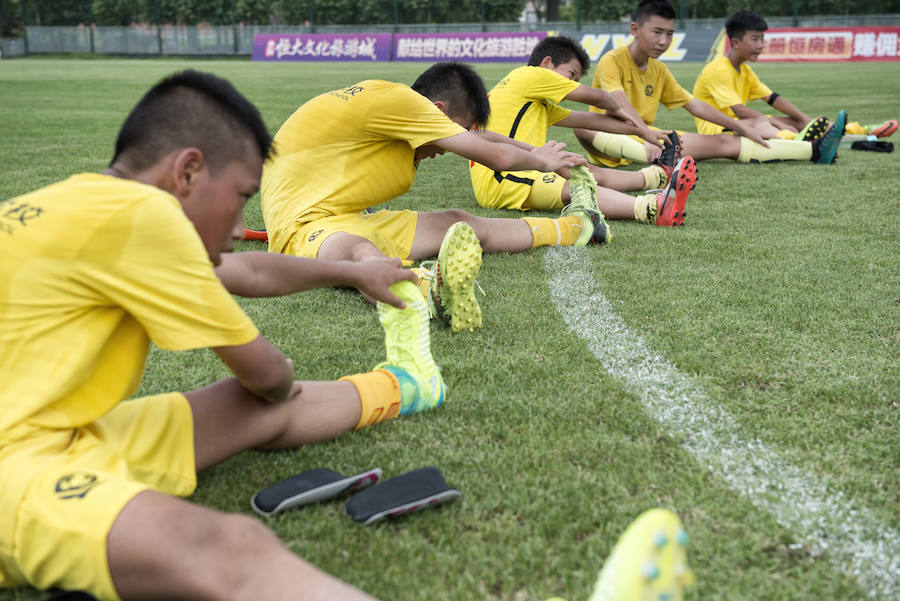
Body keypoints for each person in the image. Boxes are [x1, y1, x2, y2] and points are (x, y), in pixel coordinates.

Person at [0, 69, 455, 601]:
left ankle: (407, 385)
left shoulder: (84, 206)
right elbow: (269, 377)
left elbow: (247, 272)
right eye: (241, 196)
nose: (242, 226)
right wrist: (279, 379)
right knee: (233, 547)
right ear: (188, 171)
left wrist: (354, 272)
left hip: (48, 433)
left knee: (244, 407)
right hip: (13, 464)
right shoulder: (146, 219)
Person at [260, 62, 629, 334]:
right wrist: (538, 160)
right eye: (458, 129)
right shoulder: (402, 103)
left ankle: (577, 228)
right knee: (357, 251)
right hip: (301, 227)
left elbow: (484, 140)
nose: (454, 144)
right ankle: (426, 290)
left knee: (458, 220)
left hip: (340, 215)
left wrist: (537, 152)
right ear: (437, 110)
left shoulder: (399, 107)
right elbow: (493, 155)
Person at [574, 0, 846, 168]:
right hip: (612, 140)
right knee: (581, 128)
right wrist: (646, 134)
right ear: (635, 29)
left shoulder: (659, 69)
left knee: (725, 143)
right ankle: (656, 159)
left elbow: (694, 105)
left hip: (654, 139)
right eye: (656, 32)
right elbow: (618, 103)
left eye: (669, 34)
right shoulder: (612, 60)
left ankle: (812, 149)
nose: (663, 41)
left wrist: (739, 128)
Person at [469, 35, 696, 227]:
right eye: (571, 74)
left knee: (581, 169)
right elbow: (599, 98)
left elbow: (591, 120)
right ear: (547, 63)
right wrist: (635, 121)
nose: (573, 82)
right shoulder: (530, 75)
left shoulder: (533, 100)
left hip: (520, 166)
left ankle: (657, 176)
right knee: (577, 186)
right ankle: (651, 207)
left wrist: (644, 133)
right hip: (500, 177)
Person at [692, 9, 897, 140]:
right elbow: (739, 112)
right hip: (719, 131)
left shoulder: (745, 70)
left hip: (745, 125)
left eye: (762, 39)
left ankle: (861, 131)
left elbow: (773, 99)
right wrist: (777, 123)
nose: (761, 46)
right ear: (735, 42)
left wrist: (805, 119)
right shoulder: (718, 68)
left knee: (795, 121)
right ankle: (797, 140)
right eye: (755, 39)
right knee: (764, 122)